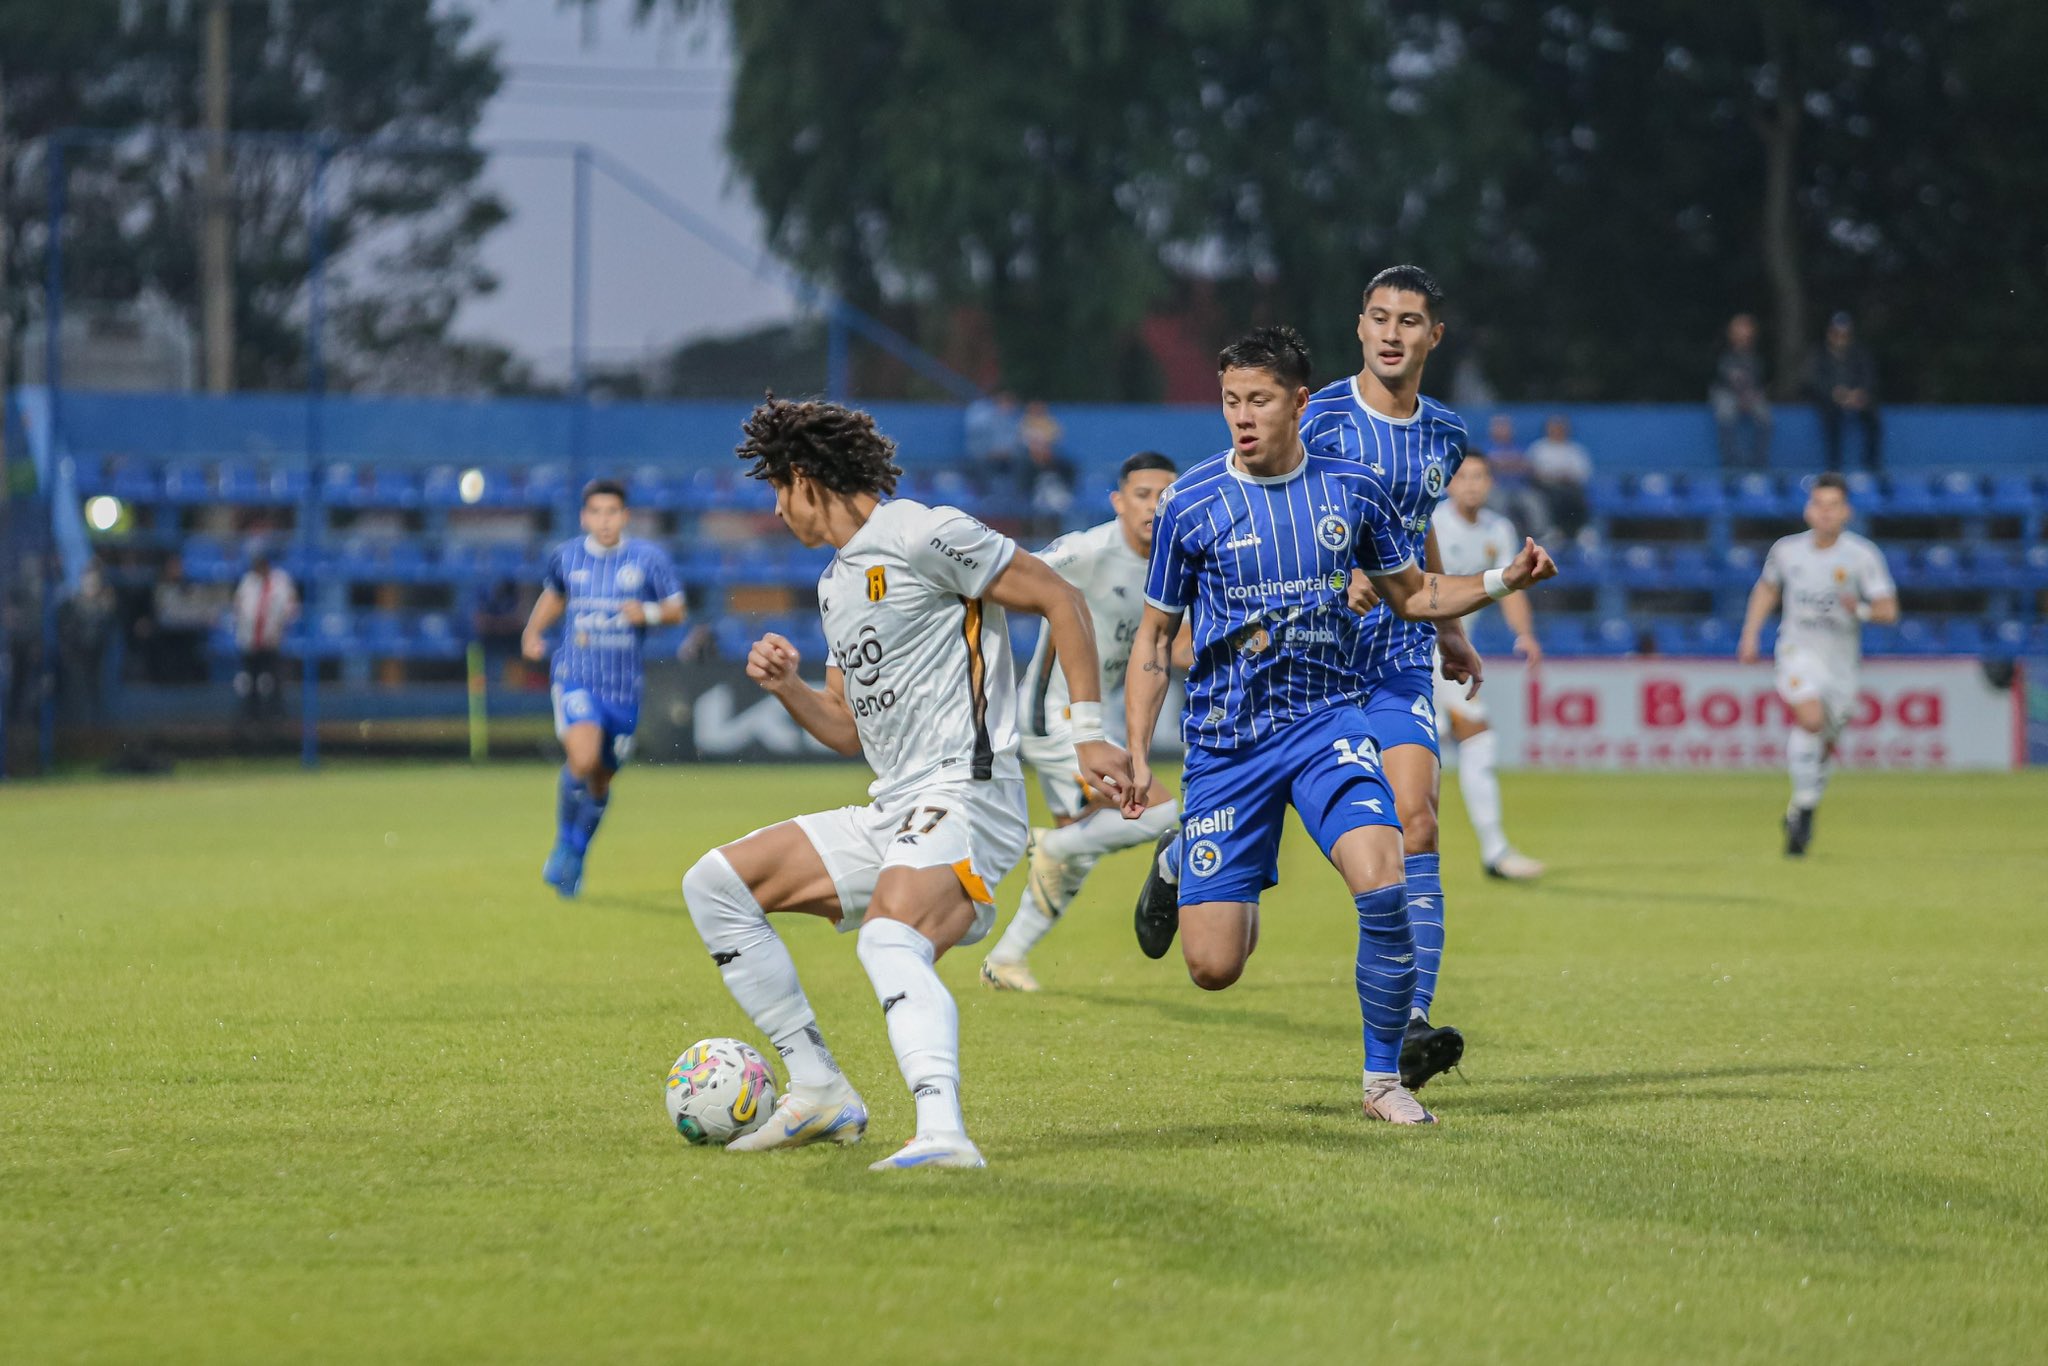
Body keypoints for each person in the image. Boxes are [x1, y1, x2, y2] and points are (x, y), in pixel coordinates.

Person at [680, 398, 1133, 1171]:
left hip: (968, 791)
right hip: (896, 806)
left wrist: (1089, 730)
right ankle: (820, 1089)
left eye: (776, 490)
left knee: (891, 939)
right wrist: (790, 688)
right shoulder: (835, 587)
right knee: (715, 885)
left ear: (803, 480)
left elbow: (1059, 598)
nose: (777, 509)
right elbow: (847, 730)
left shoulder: (926, 531)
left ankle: (943, 1131)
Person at [1121, 325, 1556, 1126]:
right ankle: (1184, 854)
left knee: (1385, 873)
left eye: (1257, 400)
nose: (1241, 417)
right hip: (1227, 746)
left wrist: (1500, 579)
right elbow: (1154, 637)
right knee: (1215, 967)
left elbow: (1415, 594)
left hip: (1328, 721)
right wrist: (1139, 754)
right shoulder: (1191, 502)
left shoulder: (1352, 490)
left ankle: (1382, 1081)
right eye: (1229, 402)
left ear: (1298, 403)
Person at [1294, 264, 1488, 1092]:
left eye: (1410, 320)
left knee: (1418, 821)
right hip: (1311, 652)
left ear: (1433, 337)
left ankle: (1408, 1022)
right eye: (1379, 317)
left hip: (1396, 652)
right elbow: (1279, 520)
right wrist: (1333, 577)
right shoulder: (1319, 417)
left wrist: (1446, 624)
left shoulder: (1445, 433)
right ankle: (1177, 856)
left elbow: (1413, 531)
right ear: (1360, 326)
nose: (1392, 333)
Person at [980, 452, 1185, 992]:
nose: (1154, 504)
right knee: (1161, 812)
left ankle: (1006, 959)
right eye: (1142, 493)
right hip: (1055, 717)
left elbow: (1174, 644)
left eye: (1166, 493)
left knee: (1080, 848)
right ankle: (1047, 847)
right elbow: (1008, 576)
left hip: (1092, 720)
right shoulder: (1089, 550)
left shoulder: (1173, 565)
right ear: (1118, 501)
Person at [521, 479, 685, 899]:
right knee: (583, 755)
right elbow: (555, 596)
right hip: (576, 676)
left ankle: (577, 853)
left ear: (625, 516)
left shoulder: (648, 560)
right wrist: (533, 631)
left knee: (601, 781)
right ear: (584, 517)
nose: (605, 520)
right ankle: (563, 843)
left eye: (612, 512)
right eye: (596, 512)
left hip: (623, 688)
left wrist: (646, 611)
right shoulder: (568, 557)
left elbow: (676, 609)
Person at [1737, 473, 1897, 856]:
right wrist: (1750, 634)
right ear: (1809, 510)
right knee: (1809, 719)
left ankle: (1801, 808)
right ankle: (1805, 813)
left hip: (1840, 662)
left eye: (1833, 506)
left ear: (1846, 512)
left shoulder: (1862, 555)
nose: (1825, 513)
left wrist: (1856, 609)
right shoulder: (1787, 551)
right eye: (1819, 505)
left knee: (1824, 742)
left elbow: (1887, 610)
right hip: (1797, 651)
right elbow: (1767, 589)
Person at [1428, 453, 1546, 879]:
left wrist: (1525, 634)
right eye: (1464, 477)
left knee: (1446, 745)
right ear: (1448, 484)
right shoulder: (1434, 524)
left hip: (1451, 649)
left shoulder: (1498, 530)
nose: (1473, 484)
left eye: (1480, 476)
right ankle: (1494, 852)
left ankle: (1487, 851)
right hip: (1419, 647)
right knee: (1475, 738)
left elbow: (1511, 587)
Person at [1807, 313, 1881, 472]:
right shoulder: (1819, 354)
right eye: (1837, 333)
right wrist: (1834, 393)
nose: (1841, 337)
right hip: (1831, 400)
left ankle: (1871, 463)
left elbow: (1868, 376)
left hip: (1856, 398)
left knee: (1873, 417)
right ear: (1830, 333)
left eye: (1845, 334)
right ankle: (1834, 466)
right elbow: (1815, 381)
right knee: (1831, 418)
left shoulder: (1859, 353)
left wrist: (1859, 393)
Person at [232, 550, 298, 721]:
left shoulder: (281, 582)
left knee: (274, 678)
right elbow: (239, 606)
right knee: (251, 678)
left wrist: (280, 628)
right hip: (250, 639)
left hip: (272, 639)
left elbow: (291, 608)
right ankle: (251, 715)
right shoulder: (248, 581)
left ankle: (276, 714)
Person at [1710, 313, 1773, 469]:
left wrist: (1749, 395)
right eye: (1739, 327)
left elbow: (1762, 378)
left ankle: (1758, 464)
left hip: (1751, 393)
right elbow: (1719, 376)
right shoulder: (1720, 348)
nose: (1743, 332)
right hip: (1725, 393)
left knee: (1765, 418)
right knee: (1725, 415)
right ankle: (1731, 464)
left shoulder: (1760, 352)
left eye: (1746, 327)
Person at [1526, 413, 1593, 539]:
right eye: (1553, 427)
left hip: (1570, 487)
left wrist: (1567, 477)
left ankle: (1582, 530)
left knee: (1578, 494)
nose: (1557, 431)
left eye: (1560, 428)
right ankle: (1553, 529)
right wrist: (1553, 477)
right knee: (1552, 495)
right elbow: (1533, 471)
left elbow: (1583, 473)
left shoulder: (1575, 450)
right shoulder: (1539, 448)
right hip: (1547, 486)